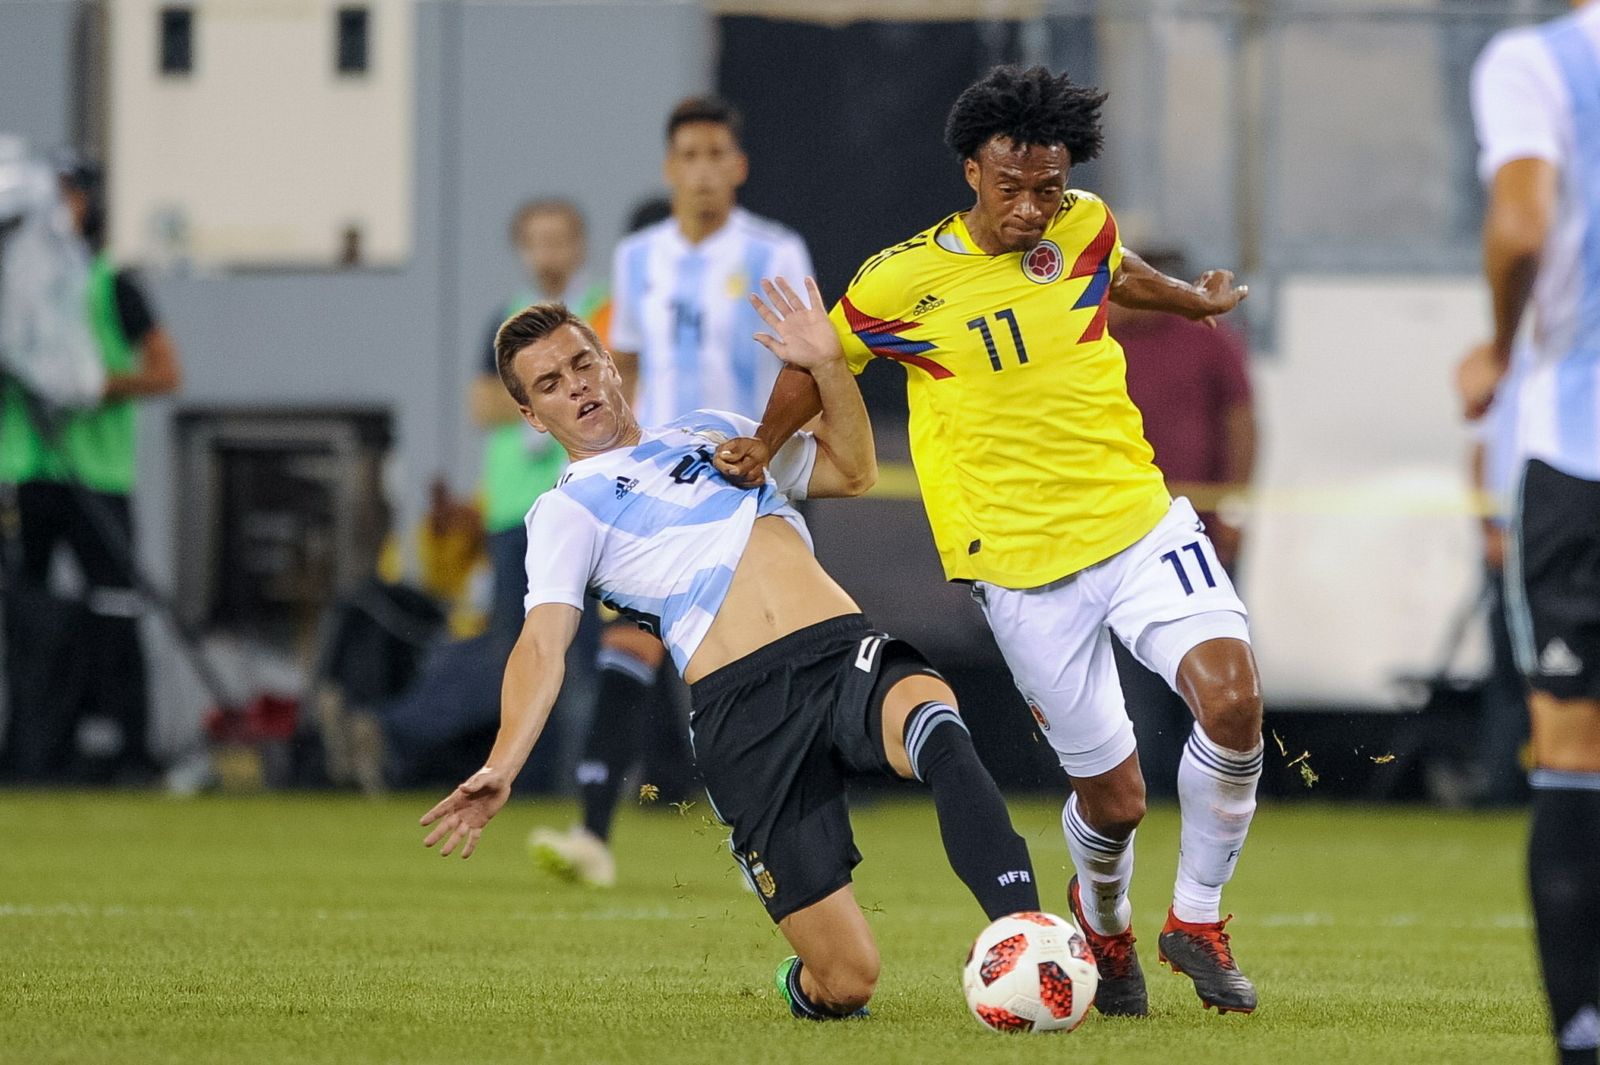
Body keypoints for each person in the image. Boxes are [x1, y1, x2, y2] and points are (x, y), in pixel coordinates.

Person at [719, 66, 1262, 1017]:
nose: (1032, 207)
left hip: (1136, 520)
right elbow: (819, 361)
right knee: (1118, 802)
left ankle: (1198, 920)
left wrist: (1190, 300)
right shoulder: (903, 281)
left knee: (1233, 697)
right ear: (972, 172)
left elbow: (1117, 266)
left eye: (1048, 187)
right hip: (1017, 569)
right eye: (1011, 188)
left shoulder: (1082, 222)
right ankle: (1105, 926)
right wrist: (763, 445)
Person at [420, 286, 1042, 1021]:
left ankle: (1027, 934)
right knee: (849, 980)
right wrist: (503, 762)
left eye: (582, 363)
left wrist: (829, 366)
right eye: (550, 384)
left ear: (611, 366)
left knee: (933, 716)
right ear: (532, 415)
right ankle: (803, 983)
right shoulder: (566, 509)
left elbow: (852, 471)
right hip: (743, 718)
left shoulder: (712, 430)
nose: (576, 385)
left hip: (839, 650)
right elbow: (540, 645)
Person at [531, 96, 814, 885]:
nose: (700, 171)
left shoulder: (774, 250)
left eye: (714, 155)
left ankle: (782, 835)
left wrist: (769, 445)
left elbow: (811, 363)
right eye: (686, 157)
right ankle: (591, 832)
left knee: (759, 664)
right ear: (668, 169)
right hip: (661, 484)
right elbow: (617, 370)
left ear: (738, 166)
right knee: (627, 645)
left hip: (750, 480)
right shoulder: (639, 257)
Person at [1458, 6, 1600, 1060]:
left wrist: (1499, 350)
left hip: (1579, 456)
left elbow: (1519, 225)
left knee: (1570, 746)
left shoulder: (1536, 63)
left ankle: (1583, 1035)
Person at [0, 157, 182, 783]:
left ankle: (129, 752)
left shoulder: (109, 281)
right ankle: (31, 751)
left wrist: (97, 385)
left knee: (115, 609)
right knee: (24, 617)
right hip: (25, 471)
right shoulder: (10, 285)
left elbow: (166, 372)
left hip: (98, 475)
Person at [1109, 248, 1257, 798]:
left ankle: (1219, 783)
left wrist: (1235, 506)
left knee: (1214, 663)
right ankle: (1141, 782)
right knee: (1128, 678)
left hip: (1196, 532)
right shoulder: (1095, 339)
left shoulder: (1208, 342)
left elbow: (1241, 423)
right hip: (1116, 533)